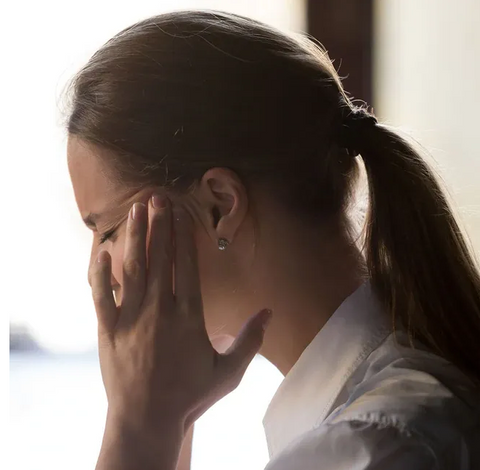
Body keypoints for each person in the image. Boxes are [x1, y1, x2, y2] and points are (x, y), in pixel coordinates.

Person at [65, 9, 480, 470]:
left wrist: (138, 427)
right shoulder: (392, 410)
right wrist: (169, 418)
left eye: (108, 230)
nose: (97, 273)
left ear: (219, 205)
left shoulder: (373, 446)